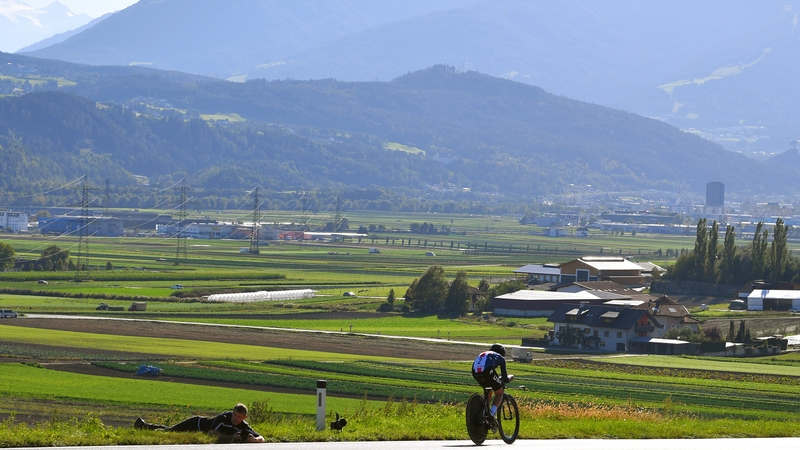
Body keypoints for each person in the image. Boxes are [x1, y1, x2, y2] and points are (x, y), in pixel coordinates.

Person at [134, 403, 265, 443]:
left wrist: (252, 440)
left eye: (239, 417)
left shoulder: (243, 426)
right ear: (232, 412)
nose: (235, 418)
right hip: (196, 423)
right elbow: (211, 433)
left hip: (198, 431)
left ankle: (144, 426)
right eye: (235, 415)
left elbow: (262, 439)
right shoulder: (223, 418)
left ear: (244, 417)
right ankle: (142, 427)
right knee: (170, 432)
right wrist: (232, 438)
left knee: (170, 429)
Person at [472, 343, 514, 426]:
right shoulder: (501, 358)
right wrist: (510, 377)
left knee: (488, 391)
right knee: (499, 393)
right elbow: (505, 379)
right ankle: (491, 413)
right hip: (487, 370)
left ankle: (484, 413)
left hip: (475, 371)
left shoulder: (485, 354)